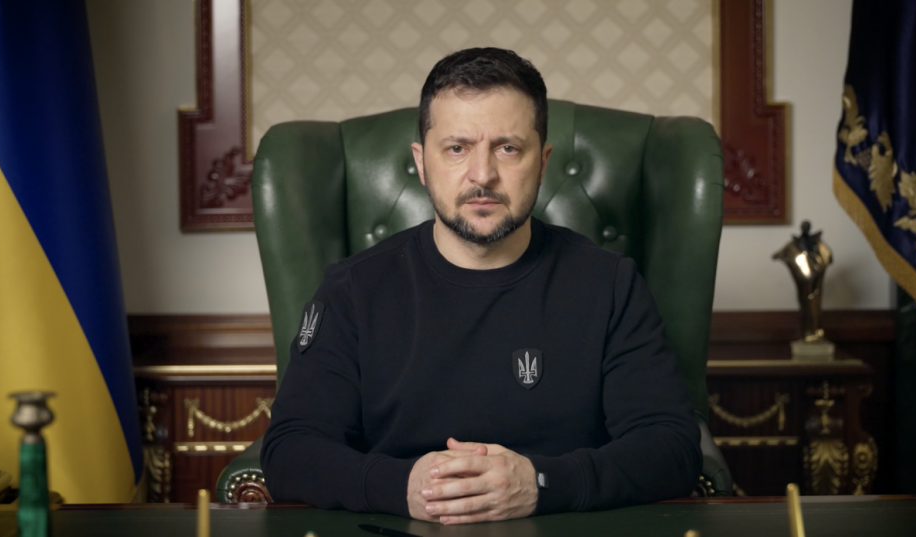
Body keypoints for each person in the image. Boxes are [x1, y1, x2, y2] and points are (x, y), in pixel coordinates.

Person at [261, 47, 702, 525]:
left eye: (508, 148)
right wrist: (402, 485)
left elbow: (671, 447)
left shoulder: (610, 285)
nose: (483, 175)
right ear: (421, 162)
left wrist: (539, 483)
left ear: (543, 161)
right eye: (457, 148)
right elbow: (290, 450)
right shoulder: (352, 290)